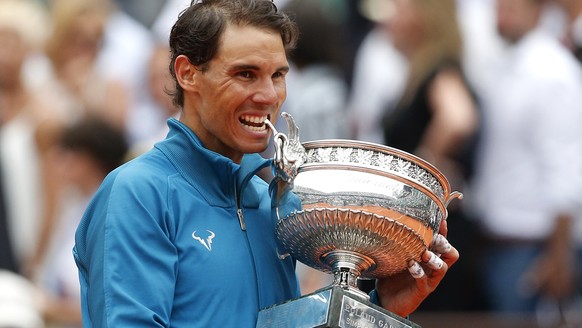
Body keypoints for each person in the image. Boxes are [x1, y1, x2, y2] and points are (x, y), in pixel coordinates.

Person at [73, 0, 459, 326]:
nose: (268, 95)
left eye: (277, 75)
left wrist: (376, 309)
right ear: (188, 74)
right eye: (245, 74)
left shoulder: (274, 200)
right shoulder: (138, 194)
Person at [468, 0, 582, 322]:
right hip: (502, 243)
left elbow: (566, 169)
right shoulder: (511, 63)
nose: (501, 13)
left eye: (512, 6)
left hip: (533, 248)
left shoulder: (552, 72)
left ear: (538, 9)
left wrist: (559, 257)